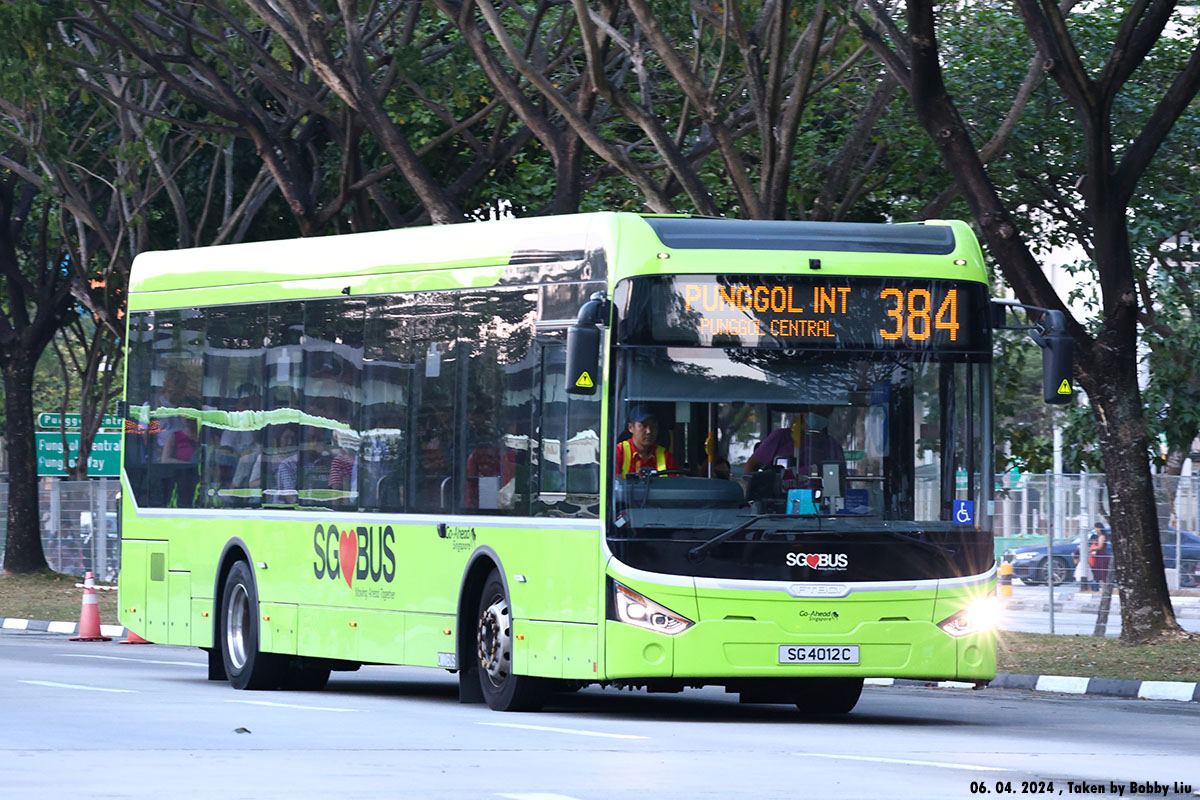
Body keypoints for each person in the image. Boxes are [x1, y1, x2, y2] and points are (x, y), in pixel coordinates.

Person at [742, 406, 844, 484]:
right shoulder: (780, 437)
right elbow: (750, 466)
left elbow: (842, 479)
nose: (820, 415)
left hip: (820, 501)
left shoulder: (831, 445)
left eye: (825, 412)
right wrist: (754, 497)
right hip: (781, 500)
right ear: (804, 411)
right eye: (817, 410)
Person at [615, 405, 678, 476]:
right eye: (644, 426)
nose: (649, 431)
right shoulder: (619, 452)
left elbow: (676, 481)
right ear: (630, 427)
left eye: (653, 426)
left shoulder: (665, 455)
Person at [1089, 522, 1111, 591]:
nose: (1096, 530)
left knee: (1103, 573)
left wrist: (1092, 549)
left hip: (1101, 556)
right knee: (1100, 573)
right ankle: (1103, 588)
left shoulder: (1102, 537)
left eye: (1096, 528)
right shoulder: (1100, 536)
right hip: (1099, 556)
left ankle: (1104, 589)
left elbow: (1100, 546)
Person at [1073, 526, 1094, 591]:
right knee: (1087, 578)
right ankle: (1087, 589)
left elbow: (1076, 561)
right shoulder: (1085, 547)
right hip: (1084, 564)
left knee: (1087, 577)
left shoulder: (1084, 547)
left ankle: (1087, 589)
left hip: (1085, 564)